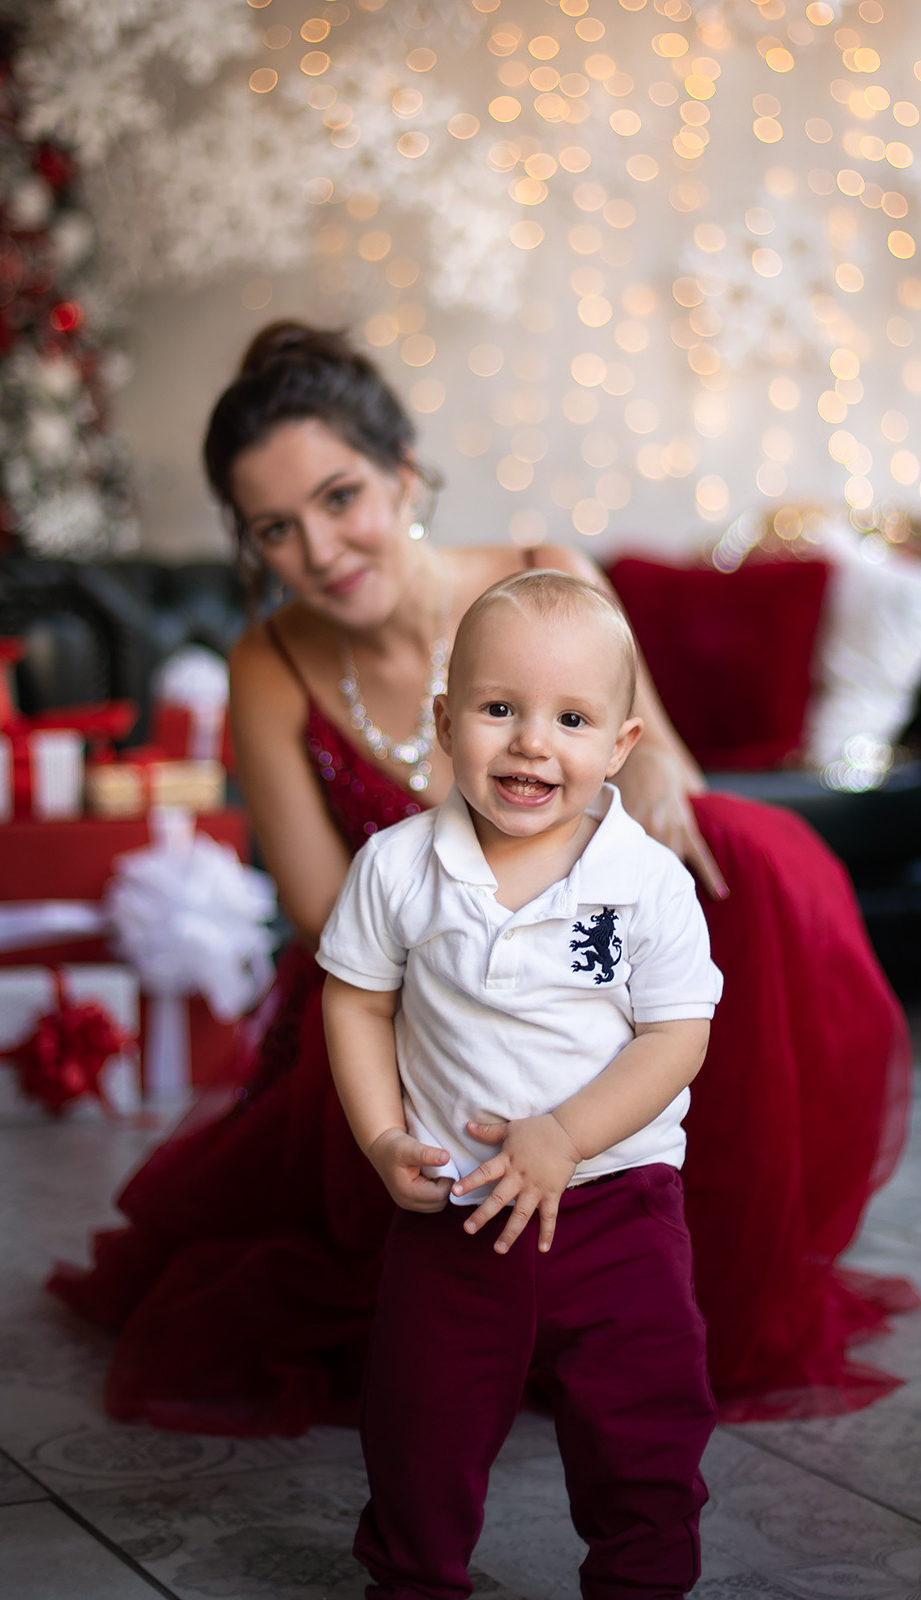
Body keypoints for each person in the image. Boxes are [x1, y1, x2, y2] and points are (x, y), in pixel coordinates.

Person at [49, 321, 917, 1438]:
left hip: (586, 951)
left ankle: (678, 1233)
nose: (318, 547)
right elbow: (326, 913)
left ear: (404, 473)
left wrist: (643, 783)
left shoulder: (541, 580)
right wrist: (473, 893)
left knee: (735, 850)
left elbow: (656, 774)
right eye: (275, 527)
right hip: (410, 983)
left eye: (338, 496)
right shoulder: (268, 662)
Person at [320, 570, 721, 1596]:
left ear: (621, 744)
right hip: (456, 1209)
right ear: (446, 720)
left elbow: (675, 1035)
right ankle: (414, 1576)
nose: (531, 742)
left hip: (617, 1204)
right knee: (418, 1429)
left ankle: (641, 1578)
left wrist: (565, 1133)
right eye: (499, 709)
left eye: (571, 717)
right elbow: (357, 1001)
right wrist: (378, 1138)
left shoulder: (645, 883)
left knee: (646, 1427)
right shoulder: (396, 867)